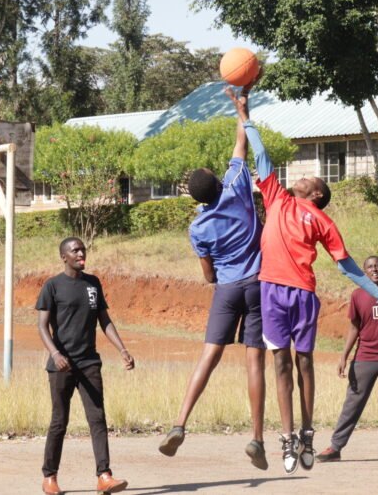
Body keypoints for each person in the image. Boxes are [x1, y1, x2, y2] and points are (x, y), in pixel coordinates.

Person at [226, 82, 378, 474]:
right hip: (270, 291)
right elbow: (261, 154)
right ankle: (287, 436)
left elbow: (347, 266)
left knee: (304, 362)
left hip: (302, 294)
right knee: (280, 364)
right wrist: (245, 116)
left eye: (310, 180)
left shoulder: (322, 220)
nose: (302, 178)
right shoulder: (276, 196)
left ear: (318, 195)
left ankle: (307, 431)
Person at [158, 98, 267, 469]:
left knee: (209, 355)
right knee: (255, 361)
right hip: (257, 284)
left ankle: (179, 423)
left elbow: (208, 275)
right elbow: (241, 143)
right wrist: (242, 109)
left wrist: (222, 274)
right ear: (219, 182)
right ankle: (256, 438)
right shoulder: (236, 185)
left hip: (227, 289)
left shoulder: (198, 227)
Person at [37, 237, 135, 495]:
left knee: (97, 418)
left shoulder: (93, 283)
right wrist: (55, 354)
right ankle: (49, 477)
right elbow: (42, 326)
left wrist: (122, 349)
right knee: (59, 421)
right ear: (64, 257)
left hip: (89, 362)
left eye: (83, 249)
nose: (81, 254)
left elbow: (105, 320)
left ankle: (104, 476)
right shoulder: (52, 286)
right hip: (62, 365)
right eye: (75, 250)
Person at [317, 255, 378, 464]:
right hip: (365, 357)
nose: (374, 269)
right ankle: (335, 447)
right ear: (364, 272)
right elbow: (354, 328)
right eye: (370, 267)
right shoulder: (357, 295)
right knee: (352, 404)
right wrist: (344, 356)